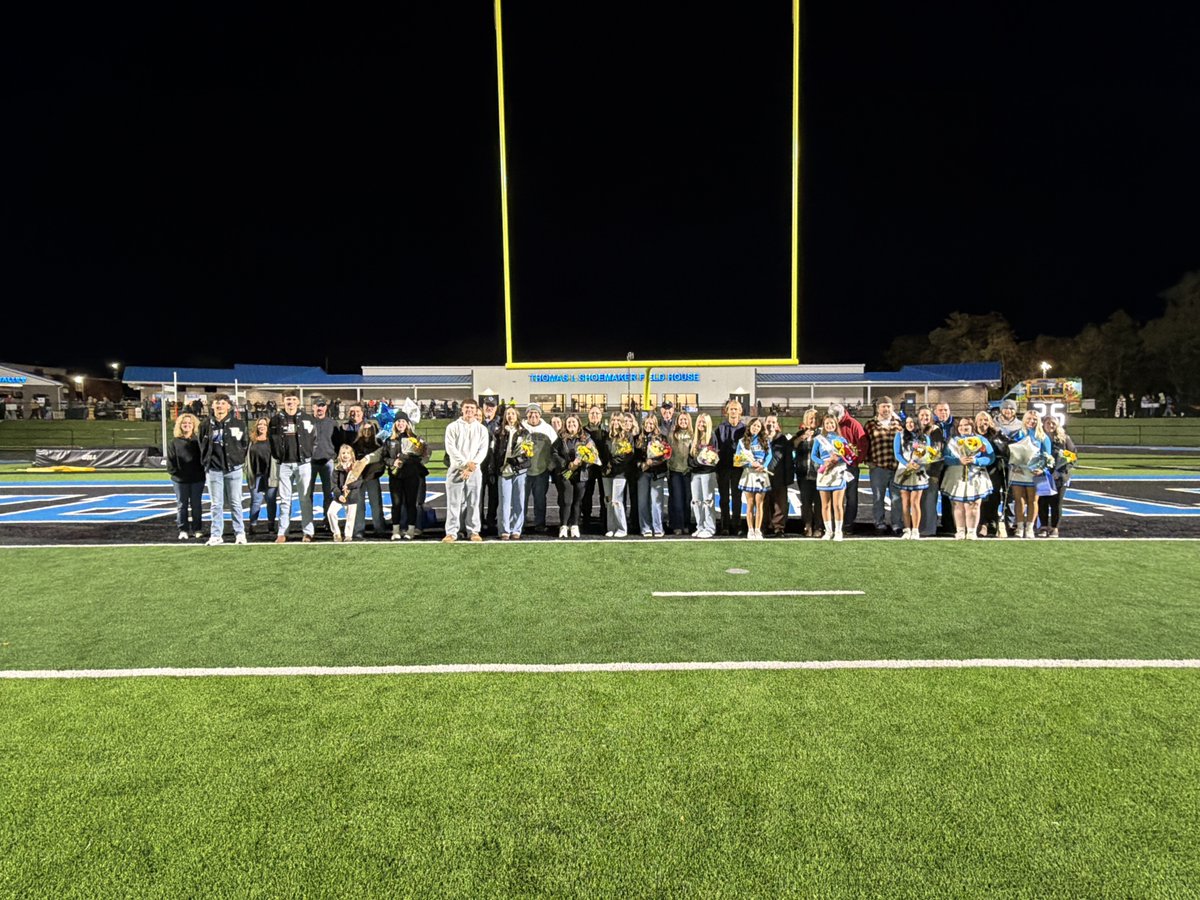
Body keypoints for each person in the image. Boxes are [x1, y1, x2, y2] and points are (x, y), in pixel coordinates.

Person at [197, 393, 248, 546]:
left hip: (234, 468)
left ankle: (240, 533)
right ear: (212, 406)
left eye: (222, 403)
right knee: (216, 504)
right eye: (217, 403)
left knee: (235, 503)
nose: (219, 406)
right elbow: (202, 445)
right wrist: (207, 461)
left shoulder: (238, 424)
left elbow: (244, 444)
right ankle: (216, 535)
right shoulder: (205, 425)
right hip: (214, 469)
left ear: (229, 406)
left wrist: (238, 458)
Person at [268, 391, 316, 543]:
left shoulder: (307, 418)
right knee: (284, 500)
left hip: (303, 464)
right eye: (288, 399)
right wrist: (278, 456)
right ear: (283, 401)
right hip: (284, 464)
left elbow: (314, 439)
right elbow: (271, 440)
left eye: (293, 399)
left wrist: (308, 454)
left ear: (298, 402)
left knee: (305, 498)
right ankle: (283, 532)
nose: (290, 402)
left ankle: (308, 532)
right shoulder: (275, 420)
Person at [442, 399, 489, 542]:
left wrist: (472, 466)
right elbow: (451, 449)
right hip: (456, 470)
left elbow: (483, 450)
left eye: (472, 408)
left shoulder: (481, 429)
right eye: (467, 407)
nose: (469, 410)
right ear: (462, 409)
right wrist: (464, 464)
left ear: (476, 410)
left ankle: (474, 531)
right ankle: (451, 532)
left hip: (475, 471)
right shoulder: (452, 427)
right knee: (454, 503)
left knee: (474, 503)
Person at [940, 417, 995, 539]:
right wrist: (958, 460)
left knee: (973, 504)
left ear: (972, 427)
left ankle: (971, 531)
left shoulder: (981, 440)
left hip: (975, 475)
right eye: (960, 426)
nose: (963, 428)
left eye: (966, 425)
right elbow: (945, 458)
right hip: (956, 475)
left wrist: (976, 460)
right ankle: (960, 530)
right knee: (957, 504)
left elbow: (990, 458)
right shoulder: (953, 441)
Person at [382, 414, 431, 540]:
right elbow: (384, 457)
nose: (400, 424)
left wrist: (420, 453)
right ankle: (396, 531)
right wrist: (393, 462)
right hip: (395, 476)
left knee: (411, 503)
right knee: (396, 504)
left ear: (407, 423)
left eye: (403, 421)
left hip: (411, 475)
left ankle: (410, 530)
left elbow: (421, 455)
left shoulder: (415, 439)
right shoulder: (389, 440)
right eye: (398, 421)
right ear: (395, 424)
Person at [1007, 409, 1053, 539]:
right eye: (1029, 418)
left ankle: (1030, 528)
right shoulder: (1016, 434)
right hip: (1018, 471)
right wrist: (1012, 465)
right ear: (1024, 419)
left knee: (1033, 501)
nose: (1031, 421)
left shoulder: (1043, 437)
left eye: (1034, 419)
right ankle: (1020, 527)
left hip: (1034, 473)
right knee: (1018, 500)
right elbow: (1009, 452)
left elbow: (1048, 456)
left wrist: (1041, 469)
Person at [552, 413, 598, 538]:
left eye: (574, 423)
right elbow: (554, 453)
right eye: (569, 423)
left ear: (578, 424)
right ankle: (563, 526)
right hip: (566, 474)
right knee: (566, 501)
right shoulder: (561, 438)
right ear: (565, 425)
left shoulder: (586, 438)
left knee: (577, 501)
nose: (571, 425)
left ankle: (575, 525)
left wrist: (581, 462)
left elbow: (593, 456)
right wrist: (566, 464)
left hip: (581, 474)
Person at [864, 396, 904, 535]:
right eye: (883, 406)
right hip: (878, 466)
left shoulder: (899, 424)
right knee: (878, 497)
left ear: (892, 408)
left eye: (888, 406)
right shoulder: (870, 424)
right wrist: (868, 460)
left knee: (896, 498)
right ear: (878, 408)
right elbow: (865, 444)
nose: (886, 409)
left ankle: (897, 524)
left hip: (896, 466)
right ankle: (879, 522)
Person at [811, 413, 854, 541]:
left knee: (838, 504)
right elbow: (814, 455)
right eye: (827, 423)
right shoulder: (819, 439)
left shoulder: (842, 440)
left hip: (838, 471)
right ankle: (828, 531)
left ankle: (838, 531)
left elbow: (849, 458)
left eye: (832, 423)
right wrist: (823, 463)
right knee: (825, 505)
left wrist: (837, 459)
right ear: (824, 425)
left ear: (836, 425)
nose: (829, 425)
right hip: (824, 472)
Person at [494, 405, 532, 540]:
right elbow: (495, 452)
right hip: (503, 471)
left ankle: (516, 529)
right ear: (505, 416)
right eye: (508, 414)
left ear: (517, 416)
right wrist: (498, 466)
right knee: (504, 501)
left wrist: (516, 461)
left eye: (513, 414)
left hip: (519, 471)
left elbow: (528, 454)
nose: (510, 416)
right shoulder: (498, 432)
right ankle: (504, 529)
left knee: (519, 501)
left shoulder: (525, 433)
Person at [828, 403, 867, 534]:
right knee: (834, 495)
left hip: (850, 466)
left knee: (851, 496)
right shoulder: (830, 424)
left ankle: (848, 524)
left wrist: (857, 460)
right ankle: (833, 523)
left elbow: (863, 443)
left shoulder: (854, 424)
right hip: (833, 466)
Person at [166, 412, 205, 540]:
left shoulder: (199, 441)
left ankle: (197, 528)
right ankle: (183, 529)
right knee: (182, 504)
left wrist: (201, 473)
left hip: (197, 479)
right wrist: (176, 474)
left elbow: (203, 459)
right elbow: (170, 461)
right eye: (184, 423)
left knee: (196, 504)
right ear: (180, 425)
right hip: (180, 480)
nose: (187, 425)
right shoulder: (174, 442)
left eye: (189, 423)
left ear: (194, 425)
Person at [892, 414, 931, 539]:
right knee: (905, 502)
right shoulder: (900, 435)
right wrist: (907, 464)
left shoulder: (924, 438)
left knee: (915, 502)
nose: (909, 424)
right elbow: (897, 453)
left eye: (912, 422)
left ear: (916, 423)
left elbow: (927, 454)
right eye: (907, 422)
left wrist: (918, 463)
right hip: (904, 470)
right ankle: (907, 529)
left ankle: (915, 530)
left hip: (918, 471)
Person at [1037, 417, 1077, 538]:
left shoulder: (1064, 439)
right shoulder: (1039, 438)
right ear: (1043, 424)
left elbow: (1073, 457)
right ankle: (1043, 526)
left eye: (1053, 423)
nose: (1050, 425)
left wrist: (1060, 471)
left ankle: (1054, 527)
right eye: (1047, 423)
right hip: (1042, 475)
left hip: (1059, 477)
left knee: (1056, 503)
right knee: (1042, 502)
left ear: (1057, 425)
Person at [521, 404, 557, 535]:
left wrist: (550, 466)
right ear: (527, 415)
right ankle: (520, 523)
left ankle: (540, 524)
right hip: (523, 471)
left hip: (541, 471)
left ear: (540, 415)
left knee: (540, 499)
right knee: (521, 499)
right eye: (530, 413)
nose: (533, 416)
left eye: (536, 413)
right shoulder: (521, 427)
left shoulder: (548, 429)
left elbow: (555, 449)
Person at [349, 420, 386, 540]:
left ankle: (379, 527)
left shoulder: (378, 443)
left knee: (376, 504)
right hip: (358, 479)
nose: (367, 432)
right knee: (359, 505)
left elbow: (381, 460)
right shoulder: (355, 444)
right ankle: (359, 529)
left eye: (370, 429)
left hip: (372, 477)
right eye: (364, 429)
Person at [974, 411, 1008, 537]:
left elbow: (1006, 448)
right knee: (980, 498)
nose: (983, 422)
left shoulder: (996, 435)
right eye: (981, 420)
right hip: (976, 471)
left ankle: (993, 521)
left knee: (994, 498)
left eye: (986, 420)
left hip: (993, 471)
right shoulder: (971, 435)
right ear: (976, 422)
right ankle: (982, 523)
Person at [715, 400, 747, 535]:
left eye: (736, 409)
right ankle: (725, 526)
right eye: (731, 409)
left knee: (736, 497)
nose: (733, 412)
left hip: (738, 469)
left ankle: (737, 525)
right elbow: (714, 448)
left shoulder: (744, 429)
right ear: (726, 411)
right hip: (722, 468)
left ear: (740, 411)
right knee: (723, 498)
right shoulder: (720, 428)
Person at [738, 417, 773, 540]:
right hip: (749, 473)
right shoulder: (742, 442)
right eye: (754, 425)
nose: (756, 428)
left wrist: (764, 466)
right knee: (750, 503)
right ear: (749, 427)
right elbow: (738, 458)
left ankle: (758, 530)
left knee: (759, 503)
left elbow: (769, 455)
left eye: (758, 426)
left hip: (761, 474)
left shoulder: (765, 440)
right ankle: (750, 530)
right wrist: (749, 464)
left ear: (761, 428)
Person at [603, 413, 635, 538]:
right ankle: (611, 527)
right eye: (613, 419)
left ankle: (622, 528)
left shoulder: (627, 436)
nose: (615, 422)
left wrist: (613, 462)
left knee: (617, 501)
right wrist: (606, 465)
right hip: (607, 473)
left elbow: (628, 455)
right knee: (609, 501)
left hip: (620, 473)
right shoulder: (606, 436)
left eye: (618, 420)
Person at [635, 414, 668, 537]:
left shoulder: (662, 438)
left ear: (655, 425)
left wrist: (652, 463)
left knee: (656, 502)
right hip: (643, 473)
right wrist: (642, 465)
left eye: (651, 424)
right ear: (643, 424)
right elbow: (634, 457)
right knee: (643, 501)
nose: (649, 426)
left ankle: (658, 527)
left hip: (657, 473)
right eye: (646, 423)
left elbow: (665, 456)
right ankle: (645, 528)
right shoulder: (638, 438)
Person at [246, 417, 278, 538]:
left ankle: (271, 525)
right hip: (256, 474)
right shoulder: (252, 440)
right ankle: (253, 524)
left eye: (264, 424)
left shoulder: (272, 440)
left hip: (270, 474)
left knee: (271, 501)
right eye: (260, 424)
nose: (262, 426)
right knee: (256, 501)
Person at [792, 408, 821, 537]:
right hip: (803, 473)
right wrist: (802, 437)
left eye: (815, 418)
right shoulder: (799, 434)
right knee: (806, 501)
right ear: (806, 420)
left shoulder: (823, 435)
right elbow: (792, 446)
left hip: (819, 473)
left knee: (819, 502)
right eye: (811, 418)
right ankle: (807, 525)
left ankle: (818, 527)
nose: (813, 421)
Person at [689, 413, 719, 538]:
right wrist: (695, 463)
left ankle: (710, 527)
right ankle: (700, 526)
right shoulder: (695, 438)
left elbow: (714, 457)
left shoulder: (712, 437)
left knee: (708, 501)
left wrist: (704, 462)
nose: (701, 424)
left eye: (703, 422)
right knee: (696, 501)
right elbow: (690, 458)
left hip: (708, 474)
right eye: (699, 422)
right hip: (695, 474)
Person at [308, 400, 337, 528]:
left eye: (322, 406)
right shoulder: (307, 422)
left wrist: (334, 456)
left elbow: (338, 440)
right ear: (313, 407)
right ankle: (308, 521)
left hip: (327, 461)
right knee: (307, 493)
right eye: (317, 406)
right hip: (310, 462)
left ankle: (327, 520)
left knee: (329, 493)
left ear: (326, 408)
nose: (320, 408)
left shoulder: (332, 423)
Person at [762, 415, 793, 537]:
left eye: (773, 422)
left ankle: (779, 527)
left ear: (777, 425)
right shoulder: (760, 439)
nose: (771, 424)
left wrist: (788, 477)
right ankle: (764, 525)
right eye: (768, 422)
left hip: (779, 475)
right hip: (763, 476)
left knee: (780, 503)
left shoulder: (783, 440)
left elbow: (789, 459)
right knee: (763, 502)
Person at [580, 405, 608, 530]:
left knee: (604, 494)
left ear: (601, 415)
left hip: (603, 467)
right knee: (587, 494)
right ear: (588, 415)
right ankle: (586, 519)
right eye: (592, 413)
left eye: (597, 413)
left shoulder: (606, 430)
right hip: (589, 467)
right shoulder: (583, 431)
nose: (594, 415)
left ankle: (604, 518)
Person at [327, 444, 362, 542]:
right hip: (339, 497)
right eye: (343, 453)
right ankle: (336, 533)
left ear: (352, 455)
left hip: (352, 496)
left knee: (350, 517)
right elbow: (333, 484)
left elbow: (359, 482)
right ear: (339, 455)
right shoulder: (337, 468)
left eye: (347, 453)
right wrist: (339, 495)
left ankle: (348, 535)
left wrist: (349, 486)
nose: (345, 455)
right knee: (331, 512)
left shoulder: (356, 467)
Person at [666, 410, 694, 534]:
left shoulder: (693, 435)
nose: (683, 422)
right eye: (681, 419)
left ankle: (687, 524)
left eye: (685, 419)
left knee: (687, 499)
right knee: (677, 499)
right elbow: (666, 452)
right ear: (677, 421)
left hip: (688, 471)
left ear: (689, 421)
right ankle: (677, 525)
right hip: (675, 471)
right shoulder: (672, 435)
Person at [479, 397, 502, 535]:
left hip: (494, 466)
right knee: (478, 497)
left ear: (496, 407)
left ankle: (491, 521)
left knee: (494, 497)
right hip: (479, 466)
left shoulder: (501, 422)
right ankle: (479, 522)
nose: (489, 408)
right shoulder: (478, 421)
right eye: (487, 405)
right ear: (483, 406)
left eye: (492, 406)